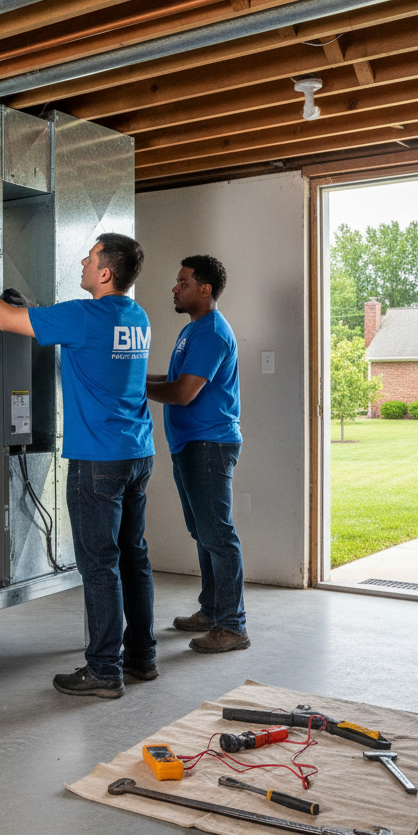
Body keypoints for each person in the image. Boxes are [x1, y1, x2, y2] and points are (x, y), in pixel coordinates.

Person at [0, 234, 155, 699]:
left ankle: (104, 669)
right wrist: (39, 311)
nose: (82, 260)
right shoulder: (136, 317)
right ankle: (141, 656)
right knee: (132, 557)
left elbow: (0, 318)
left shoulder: (81, 316)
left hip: (97, 460)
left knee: (99, 566)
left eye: (90, 255)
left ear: (104, 273)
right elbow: (93, 351)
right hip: (137, 454)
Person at [146, 254, 249, 653]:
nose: (175, 287)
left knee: (218, 535)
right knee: (203, 533)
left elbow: (183, 392)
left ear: (204, 289)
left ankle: (232, 625)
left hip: (209, 444)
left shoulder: (210, 334)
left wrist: (133, 388)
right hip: (191, 444)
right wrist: (131, 375)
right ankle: (212, 610)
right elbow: (173, 380)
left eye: (183, 282)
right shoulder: (193, 331)